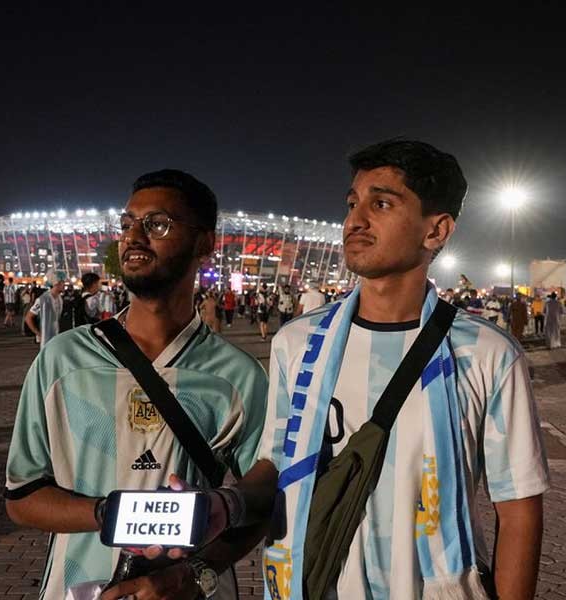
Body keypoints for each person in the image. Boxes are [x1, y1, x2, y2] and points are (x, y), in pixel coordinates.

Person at [203, 139, 548, 599]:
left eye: (381, 203)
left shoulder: (485, 352)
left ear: (436, 231)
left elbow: (519, 506)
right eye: (352, 203)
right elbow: (276, 462)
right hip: (309, 584)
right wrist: (227, 504)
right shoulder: (298, 344)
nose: (355, 220)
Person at [4, 168, 269, 600]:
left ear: (204, 243)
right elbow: (22, 495)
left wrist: (198, 572)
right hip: (77, 587)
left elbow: (259, 501)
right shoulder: (62, 360)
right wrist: (109, 513)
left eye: (157, 224)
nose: (134, 237)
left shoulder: (237, 375)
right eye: (127, 224)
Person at [25, 282, 63, 349]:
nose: (64, 285)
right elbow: (28, 318)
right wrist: (39, 333)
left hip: (58, 338)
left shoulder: (59, 299)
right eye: (62, 282)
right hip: (46, 340)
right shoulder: (43, 300)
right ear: (56, 284)